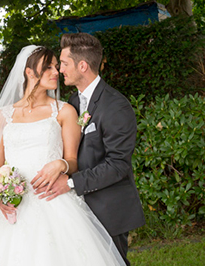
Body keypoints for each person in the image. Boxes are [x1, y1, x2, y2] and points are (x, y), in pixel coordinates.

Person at [0, 45, 126, 266]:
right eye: (48, 67)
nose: (56, 72)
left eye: (56, 66)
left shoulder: (64, 111)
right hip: (14, 205)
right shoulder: (3, 116)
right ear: (29, 72)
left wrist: (59, 164)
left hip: (52, 198)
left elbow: (73, 161)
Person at [33, 33, 145, 266]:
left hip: (108, 208)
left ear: (82, 65)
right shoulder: (72, 103)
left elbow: (118, 165)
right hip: (75, 210)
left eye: (64, 63)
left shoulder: (115, 106)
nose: (59, 70)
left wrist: (71, 183)